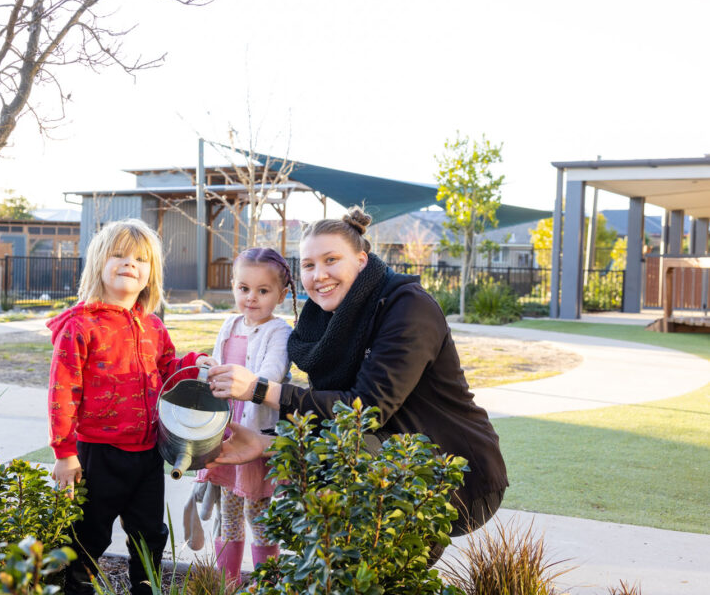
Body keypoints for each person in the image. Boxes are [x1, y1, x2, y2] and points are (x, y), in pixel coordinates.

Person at [205, 207, 508, 554]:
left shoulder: (408, 308)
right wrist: (267, 443)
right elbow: (330, 411)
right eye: (308, 265)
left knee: (362, 552)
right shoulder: (323, 320)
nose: (319, 275)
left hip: (454, 469)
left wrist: (260, 389)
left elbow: (365, 411)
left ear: (361, 260)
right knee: (332, 549)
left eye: (331, 259)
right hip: (384, 455)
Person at [48, 219, 208, 595]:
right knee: (89, 532)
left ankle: (145, 586)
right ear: (99, 263)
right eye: (118, 255)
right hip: (98, 453)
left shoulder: (153, 325)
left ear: (150, 274)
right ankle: (76, 586)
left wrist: (195, 364)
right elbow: (62, 390)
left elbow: (168, 370)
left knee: (150, 532)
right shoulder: (80, 326)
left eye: (140, 259)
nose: (129, 263)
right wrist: (65, 453)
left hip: (148, 453)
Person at [194, 248, 296, 581]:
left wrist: (243, 381)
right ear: (234, 287)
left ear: (280, 295)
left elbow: (271, 374)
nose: (251, 298)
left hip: (253, 438)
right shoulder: (230, 322)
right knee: (229, 515)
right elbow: (219, 361)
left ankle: (268, 582)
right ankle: (228, 583)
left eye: (262, 291)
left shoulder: (279, 332)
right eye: (243, 288)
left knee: (259, 515)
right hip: (227, 431)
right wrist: (209, 365)